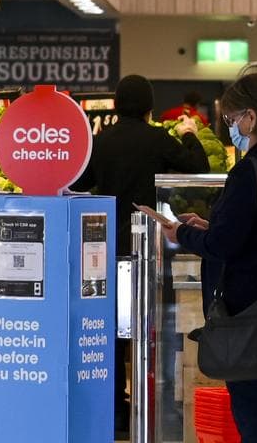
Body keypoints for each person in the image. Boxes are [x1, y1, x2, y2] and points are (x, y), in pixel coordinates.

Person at [163, 73, 257, 443]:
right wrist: (211, 225)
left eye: (232, 119)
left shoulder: (251, 170)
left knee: (256, 419)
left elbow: (223, 245)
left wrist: (182, 233)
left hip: (255, 314)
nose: (231, 126)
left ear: (252, 116)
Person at [70, 74, 210, 438]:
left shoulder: (100, 142)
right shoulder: (157, 139)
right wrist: (190, 131)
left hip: (105, 250)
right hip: (147, 251)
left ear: (115, 105)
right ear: (150, 108)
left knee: (112, 333)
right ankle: (154, 407)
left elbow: (78, 183)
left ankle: (115, 413)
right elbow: (199, 167)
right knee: (151, 330)